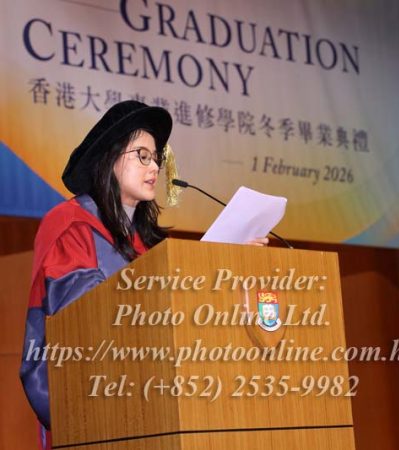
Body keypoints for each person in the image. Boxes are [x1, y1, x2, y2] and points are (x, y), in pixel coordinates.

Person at [20, 100, 268, 449]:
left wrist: (224, 265)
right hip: (94, 411)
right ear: (110, 157)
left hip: (155, 410)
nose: (154, 167)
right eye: (143, 156)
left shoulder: (149, 247)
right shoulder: (70, 224)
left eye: (156, 158)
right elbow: (84, 321)